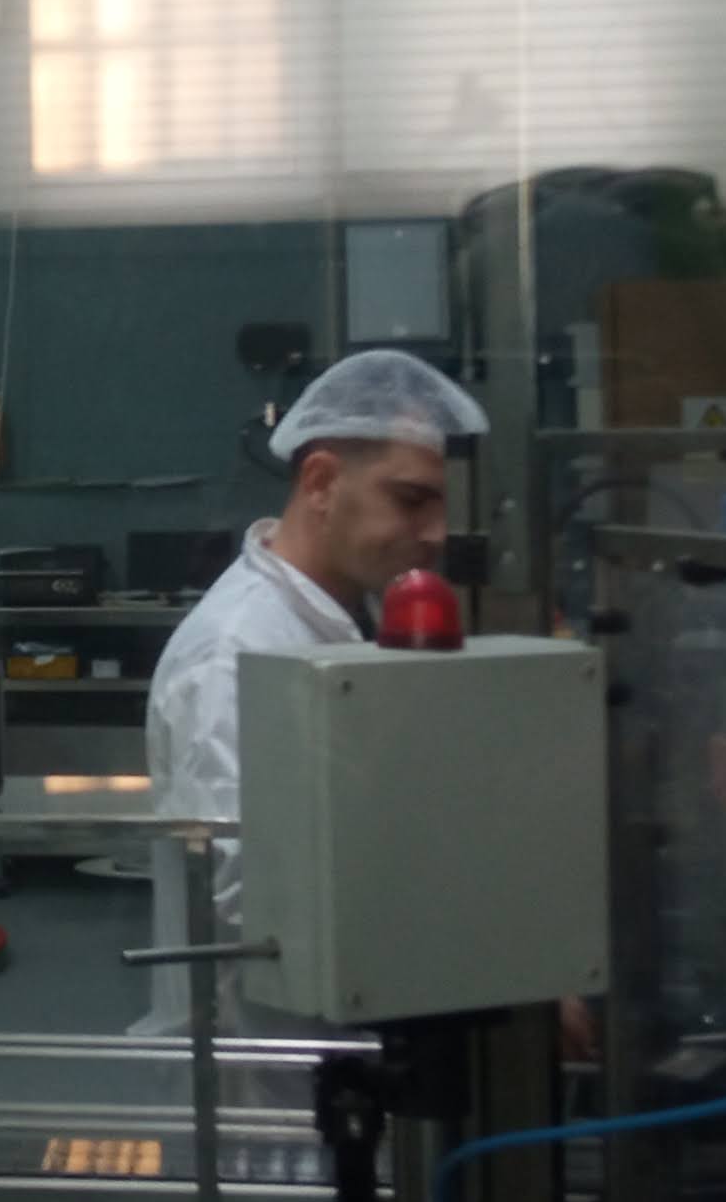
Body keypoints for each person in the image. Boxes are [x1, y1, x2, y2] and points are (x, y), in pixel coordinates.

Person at [133, 348, 487, 1049]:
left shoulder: (344, 617)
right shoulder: (236, 652)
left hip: (341, 1042)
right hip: (263, 1083)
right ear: (321, 481)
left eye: (447, 505)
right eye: (412, 500)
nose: (439, 534)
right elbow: (253, 901)